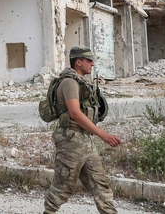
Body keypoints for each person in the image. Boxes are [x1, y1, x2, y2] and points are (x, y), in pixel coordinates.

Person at [44, 46, 121, 214]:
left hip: (84, 139)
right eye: (88, 60)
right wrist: (103, 135)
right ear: (78, 62)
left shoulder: (80, 81)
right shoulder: (70, 82)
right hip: (71, 140)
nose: (92, 64)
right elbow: (75, 114)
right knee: (63, 186)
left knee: (100, 185)